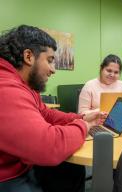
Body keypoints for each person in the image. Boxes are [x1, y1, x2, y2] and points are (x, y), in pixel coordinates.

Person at [0, 25, 106, 192]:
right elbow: (49, 146)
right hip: (7, 176)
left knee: (72, 170)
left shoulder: (24, 85)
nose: (53, 69)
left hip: (19, 162)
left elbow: (45, 113)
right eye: (49, 60)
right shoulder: (5, 87)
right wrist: (84, 127)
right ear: (28, 56)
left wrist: (80, 119)